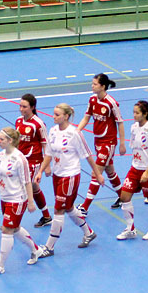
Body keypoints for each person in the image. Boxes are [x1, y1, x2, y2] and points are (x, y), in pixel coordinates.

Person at [34, 103, 104, 257]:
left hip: (70, 175)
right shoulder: (52, 131)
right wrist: (40, 171)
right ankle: (89, 232)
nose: (54, 117)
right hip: (57, 174)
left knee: (58, 209)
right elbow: (49, 154)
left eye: (57, 115)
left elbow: (87, 154)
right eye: (53, 114)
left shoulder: (74, 133)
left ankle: (49, 247)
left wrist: (97, 173)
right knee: (69, 207)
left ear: (66, 116)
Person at [0, 128, 44, 276]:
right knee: (14, 228)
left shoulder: (20, 159)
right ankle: (36, 250)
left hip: (17, 199)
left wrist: (31, 201)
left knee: (6, 230)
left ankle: (0, 265)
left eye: (1, 139)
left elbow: (27, 182)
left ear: (10, 141)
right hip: (5, 198)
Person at [77, 73, 126, 214]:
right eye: (92, 83)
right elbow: (86, 118)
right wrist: (76, 131)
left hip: (108, 142)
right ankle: (123, 197)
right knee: (110, 171)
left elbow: (120, 123)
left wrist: (122, 143)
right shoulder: (92, 100)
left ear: (103, 86)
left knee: (96, 173)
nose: (92, 86)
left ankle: (85, 207)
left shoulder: (111, 103)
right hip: (97, 140)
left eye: (95, 84)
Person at [114, 101, 148, 241]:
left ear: (145, 114)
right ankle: (130, 229)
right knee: (124, 197)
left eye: (137, 113)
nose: (134, 115)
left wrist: (147, 171)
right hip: (135, 168)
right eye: (133, 112)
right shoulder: (134, 127)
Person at [16, 94, 53, 227]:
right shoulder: (19, 121)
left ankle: (14, 222)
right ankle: (47, 216)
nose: (21, 109)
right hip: (22, 160)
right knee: (34, 187)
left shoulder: (38, 123)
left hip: (34, 161)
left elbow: (45, 144)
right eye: (20, 106)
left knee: (24, 189)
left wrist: (47, 166)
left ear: (32, 107)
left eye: (24, 107)